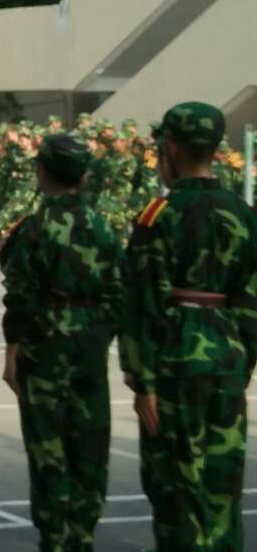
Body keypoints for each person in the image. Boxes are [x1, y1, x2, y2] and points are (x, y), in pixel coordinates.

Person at [120, 102, 257, 550]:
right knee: (222, 489)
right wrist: (242, 361)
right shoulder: (242, 212)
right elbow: (252, 301)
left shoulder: (159, 215)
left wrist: (143, 381)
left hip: (175, 363)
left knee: (177, 489)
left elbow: (142, 302)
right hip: (227, 361)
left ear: (171, 147)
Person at [0, 134, 124, 551]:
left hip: (43, 347)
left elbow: (19, 294)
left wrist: (13, 351)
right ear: (85, 176)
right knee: (90, 447)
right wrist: (97, 332)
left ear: (41, 173)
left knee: (48, 450)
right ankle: (82, 535)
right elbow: (117, 292)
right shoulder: (104, 227)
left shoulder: (33, 229)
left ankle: (54, 537)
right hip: (88, 349)